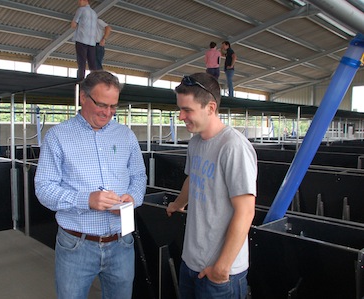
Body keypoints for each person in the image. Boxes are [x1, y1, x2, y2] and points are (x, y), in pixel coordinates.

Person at [35, 70, 147, 299]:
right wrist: (85, 200)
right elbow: (44, 188)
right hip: (77, 244)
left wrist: (133, 198)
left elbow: (139, 176)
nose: (108, 113)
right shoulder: (58, 136)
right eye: (102, 105)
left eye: (114, 106)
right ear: (83, 98)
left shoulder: (125, 135)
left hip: (121, 241)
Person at [166, 73, 257, 299]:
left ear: (210, 107)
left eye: (187, 110)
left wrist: (221, 268)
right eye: (180, 109)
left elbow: (246, 211)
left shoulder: (233, 147)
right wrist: (178, 203)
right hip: (191, 263)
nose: (181, 116)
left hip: (220, 274)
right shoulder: (196, 142)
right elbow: (193, 178)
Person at [71, 0, 98, 81]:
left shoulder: (81, 10)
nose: (78, 2)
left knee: (81, 61)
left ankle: (80, 80)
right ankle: (95, 80)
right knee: (92, 63)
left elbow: (73, 25)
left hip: (81, 39)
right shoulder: (94, 13)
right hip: (92, 42)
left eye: (79, 0)